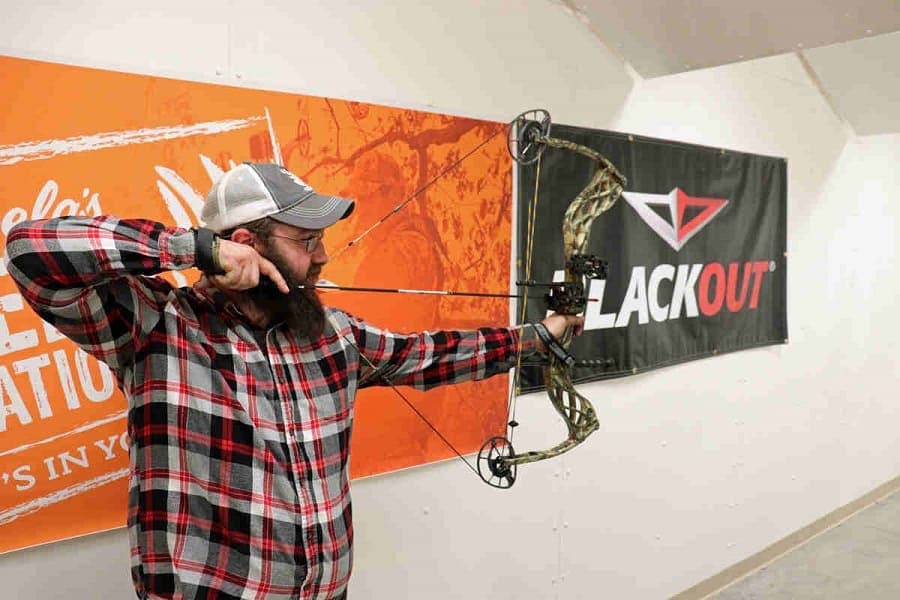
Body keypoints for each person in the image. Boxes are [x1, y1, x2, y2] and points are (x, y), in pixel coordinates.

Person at [5, 162, 583, 600]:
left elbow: (429, 356)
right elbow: (29, 253)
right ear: (246, 244)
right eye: (307, 241)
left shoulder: (329, 333)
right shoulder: (157, 327)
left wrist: (544, 334)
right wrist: (193, 248)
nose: (324, 256)